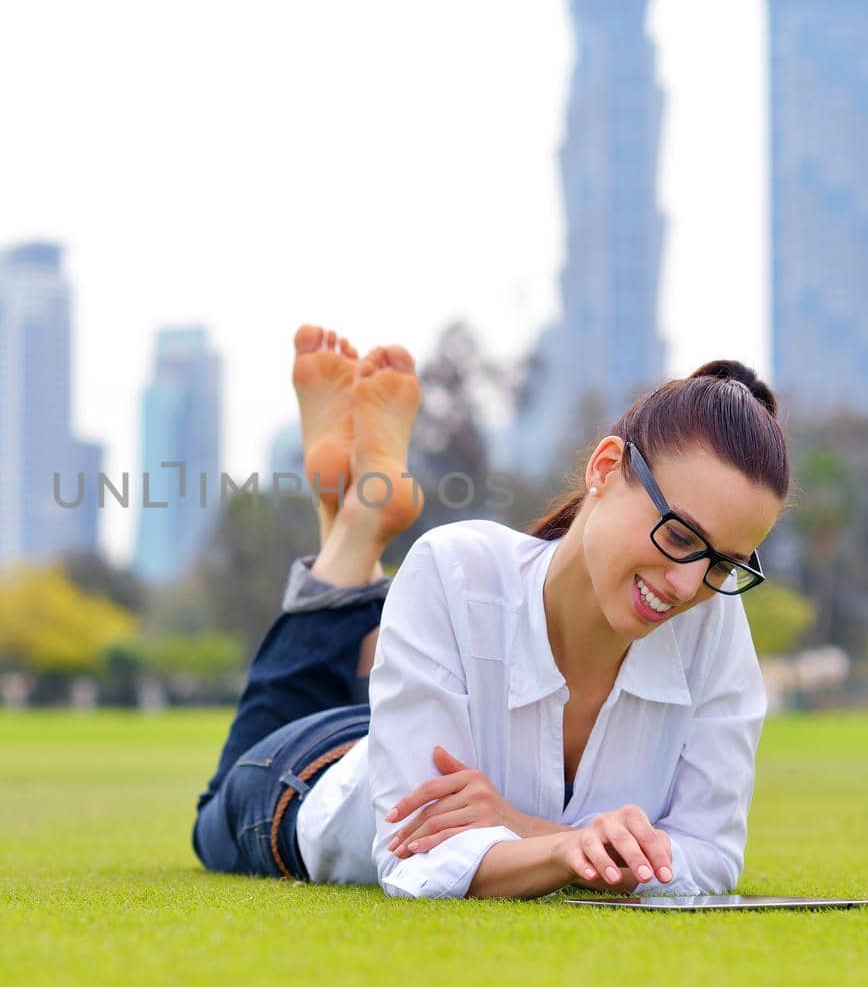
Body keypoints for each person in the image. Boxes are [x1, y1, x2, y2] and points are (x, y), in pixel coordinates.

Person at [191, 323, 790, 900]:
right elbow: (417, 859)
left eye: (722, 563)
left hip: (402, 729)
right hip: (311, 778)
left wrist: (530, 831)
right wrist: (573, 849)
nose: (689, 586)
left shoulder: (713, 623)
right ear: (606, 468)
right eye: (680, 537)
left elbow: (711, 858)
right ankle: (351, 534)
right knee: (212, 812)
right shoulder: (458, 569)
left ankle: (349, 521)